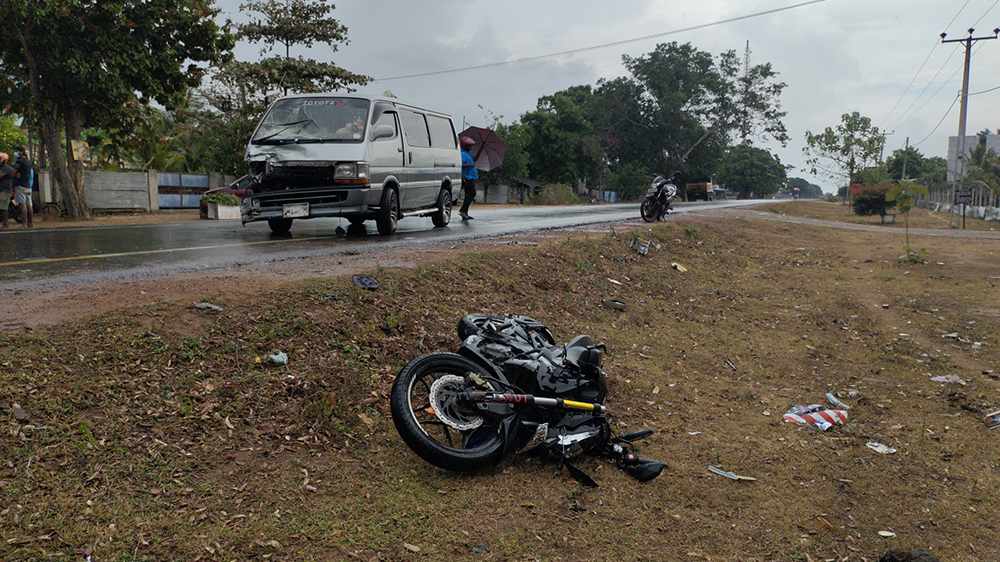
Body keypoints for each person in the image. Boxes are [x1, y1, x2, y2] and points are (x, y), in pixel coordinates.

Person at [12, 145, 34, 228]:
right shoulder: (28, 162)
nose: (15, 153)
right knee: (29, 205)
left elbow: (13, 172)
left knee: (23, 205)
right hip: (28, 186)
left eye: (16, 151)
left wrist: (15, 174)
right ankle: (30, 223)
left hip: (20, 186)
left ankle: (24, 223)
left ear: (21, 152)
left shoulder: (19, 162)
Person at [459, 136, 478, 220]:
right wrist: (470, 165)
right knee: (472, 193)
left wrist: (480, 151)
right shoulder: (463, 154)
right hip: (466, 177)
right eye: (468, 146)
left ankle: (465, 213)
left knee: (468, 195)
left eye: (471, 146)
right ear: (464, 145)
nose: (470, 147)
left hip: (470, 177)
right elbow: (461, 164)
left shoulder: (468, 155)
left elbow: (474, 159)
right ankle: (463, 210)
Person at [0, 152, 14, 229]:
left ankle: (6, 224)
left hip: (5, 191)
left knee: (3, 208)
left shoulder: (7, 168)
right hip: (2, 190)